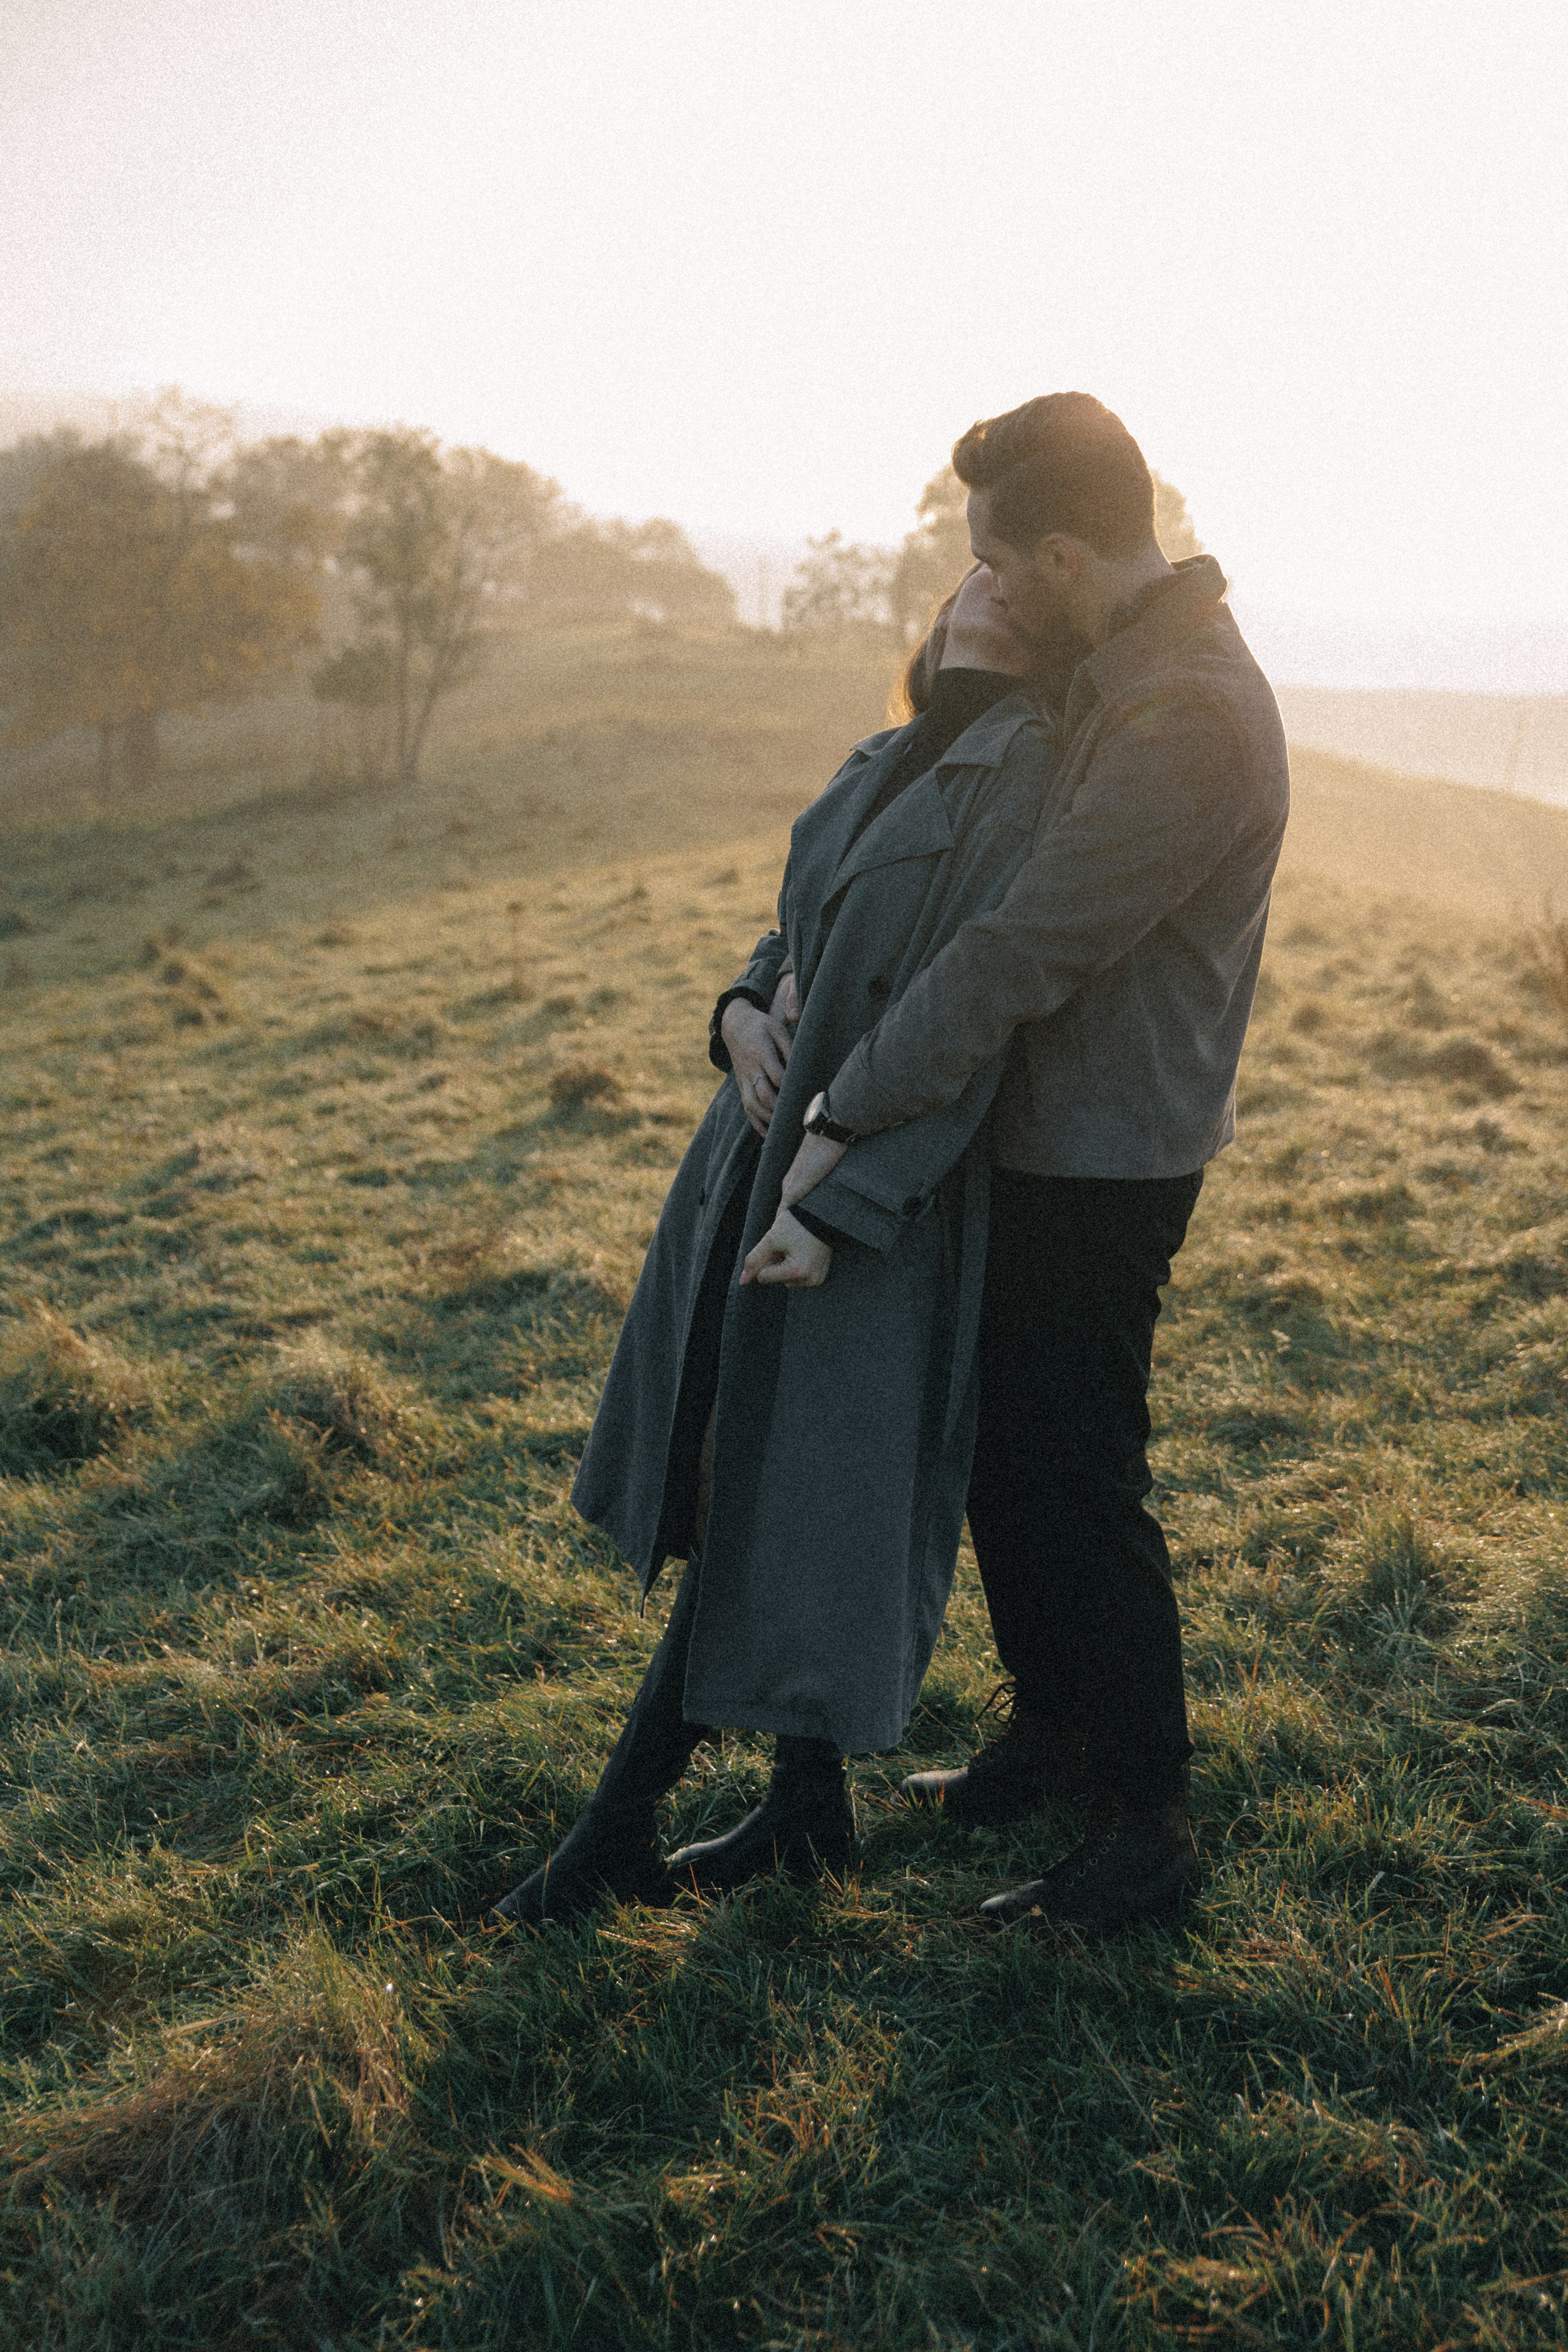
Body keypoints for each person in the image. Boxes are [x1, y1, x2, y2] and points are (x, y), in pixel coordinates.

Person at [778, 393, 1290, 1936]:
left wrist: (842, 1114)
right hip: (1029, 1135)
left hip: (1106, 1154)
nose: (986, 585)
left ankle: (1146, 1820)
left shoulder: (1187, 713)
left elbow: (1022, 944)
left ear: (1069, 552)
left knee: (1080, 1476)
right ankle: (1051, 1730)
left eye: (1003, 558)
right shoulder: (1111, 660)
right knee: (1010, 1454)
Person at [488, 567, 1065, 1926]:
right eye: (963, 570)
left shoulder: (1029, 769)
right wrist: (741, 1013)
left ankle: (613, 1832)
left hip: (864, 1192)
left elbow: (974, 1017)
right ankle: (807, 1811)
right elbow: (796, 928)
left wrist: (845, 1198)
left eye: (1004, 570)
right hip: (756, 1152)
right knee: (742, 1464)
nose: (975, 586)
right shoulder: (886, 750)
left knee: (778, 1492)